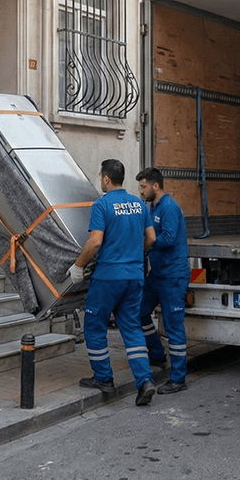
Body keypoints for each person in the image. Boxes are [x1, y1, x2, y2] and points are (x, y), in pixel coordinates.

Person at [68, 159, 158, 406]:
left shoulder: (102, 204)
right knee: (131, 328)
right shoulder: (139, 205)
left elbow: (95, 242)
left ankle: (104, 379)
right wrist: (135, 255)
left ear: (106, 179)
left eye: (101, 177)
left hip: (108, 277)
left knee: (94, 326)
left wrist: (78, 266)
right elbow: (151, 237)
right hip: (134, 275)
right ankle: (145, 381)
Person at [136, 167, 190, 395]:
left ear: (155, 186)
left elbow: (168, 238)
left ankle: (178, 378)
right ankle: (157, 355)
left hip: (173, 276)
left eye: (143, 186)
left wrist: (145, 245)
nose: (141, 191)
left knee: (173, 327)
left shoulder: (168, 207)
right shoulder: (153, 206)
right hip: (157, 275)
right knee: (139, 311)